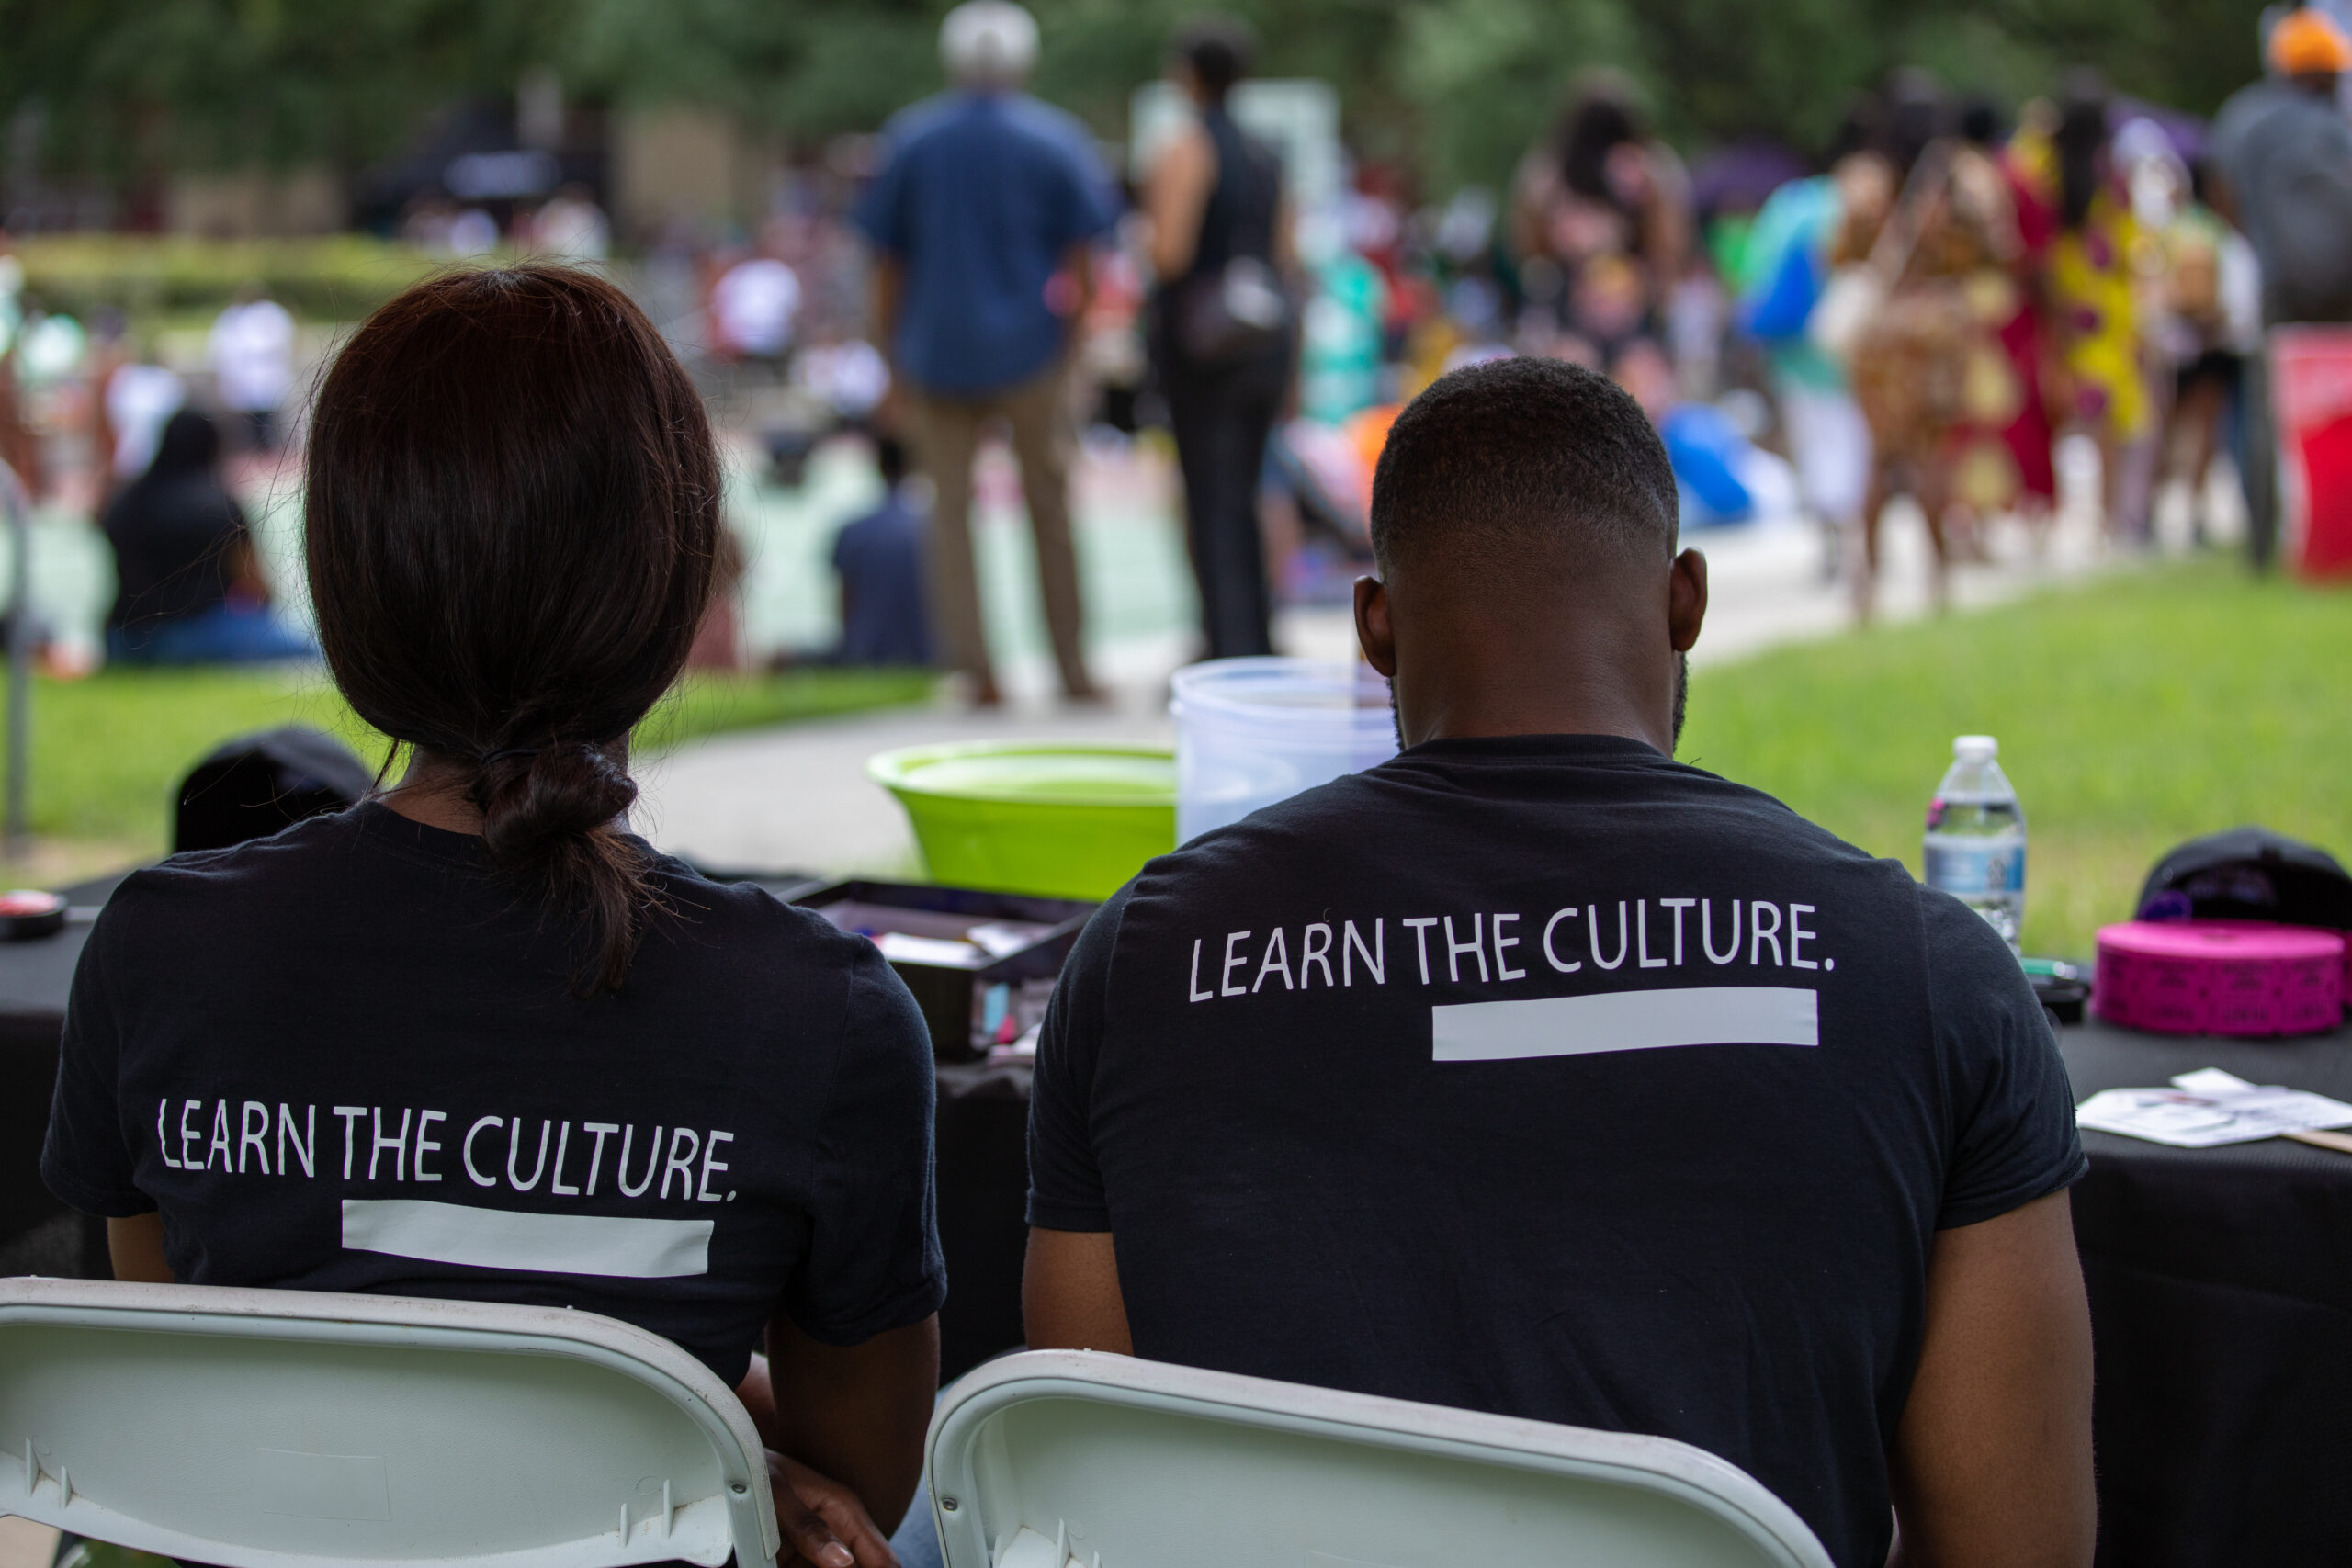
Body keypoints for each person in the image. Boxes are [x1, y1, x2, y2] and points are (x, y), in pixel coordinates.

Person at [1021, 357, 2096, 1568]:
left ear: (1375, 625)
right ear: (1686, 599)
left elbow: (1083, 1500)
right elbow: (2020, 1543)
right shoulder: (1931, 976)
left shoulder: (1144, 959)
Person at [45, 267, 943, 1566]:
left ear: (344, 586)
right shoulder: (826, 1012)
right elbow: (856, 1477)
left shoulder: (157, 947)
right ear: (674, 585)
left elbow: (200, 1359)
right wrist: (721, 1423)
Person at [854, 0, 1115, 707]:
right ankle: (1073, 667)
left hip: (935, 350)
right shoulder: (1057, 139)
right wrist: (1075, 342)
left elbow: (886, 264)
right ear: (1022, 62)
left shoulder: (912, 140)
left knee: (951, 516)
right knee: (1051, 510)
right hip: (1033, 350)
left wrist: (888, 358)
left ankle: (979, 671)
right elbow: (1085, 258)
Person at [1144, 17, 1295, 660]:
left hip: (1205, 347)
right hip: (1264, 340)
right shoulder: (1268, 152)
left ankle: (1223, 642)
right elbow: (1287, 257)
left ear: (1189, 74)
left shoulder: (1187, 146)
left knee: (1209, 497)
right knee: (1250, 490)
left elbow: (1170, 252)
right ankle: (1256, 634)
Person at [2211, 6, 2352, 568]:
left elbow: (2221, 194)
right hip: (2345, 287)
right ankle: (2336, 534)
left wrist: (2260, 241)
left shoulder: (2243, 119)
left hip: (2277, 285)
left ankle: (2262, 544)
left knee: (2266, 412)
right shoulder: (2338, 125)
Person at [101, 409, 315, 665]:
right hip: (199, 634)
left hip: (126, 640)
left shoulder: (126, 502)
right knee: (313, 649)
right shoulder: (216, 505)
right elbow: (253, 581)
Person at [831, 435, 933, 667]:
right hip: (927, 650)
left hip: (869, 650)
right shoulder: (930, 529)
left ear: (878, 467)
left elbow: (845, 603)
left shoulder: (853, 530)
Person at [208, 285, 297, 453]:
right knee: (247, 427)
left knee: (270, 424)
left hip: (268, 378)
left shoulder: (272, 315)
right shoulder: (233, 317)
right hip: (244, 379)